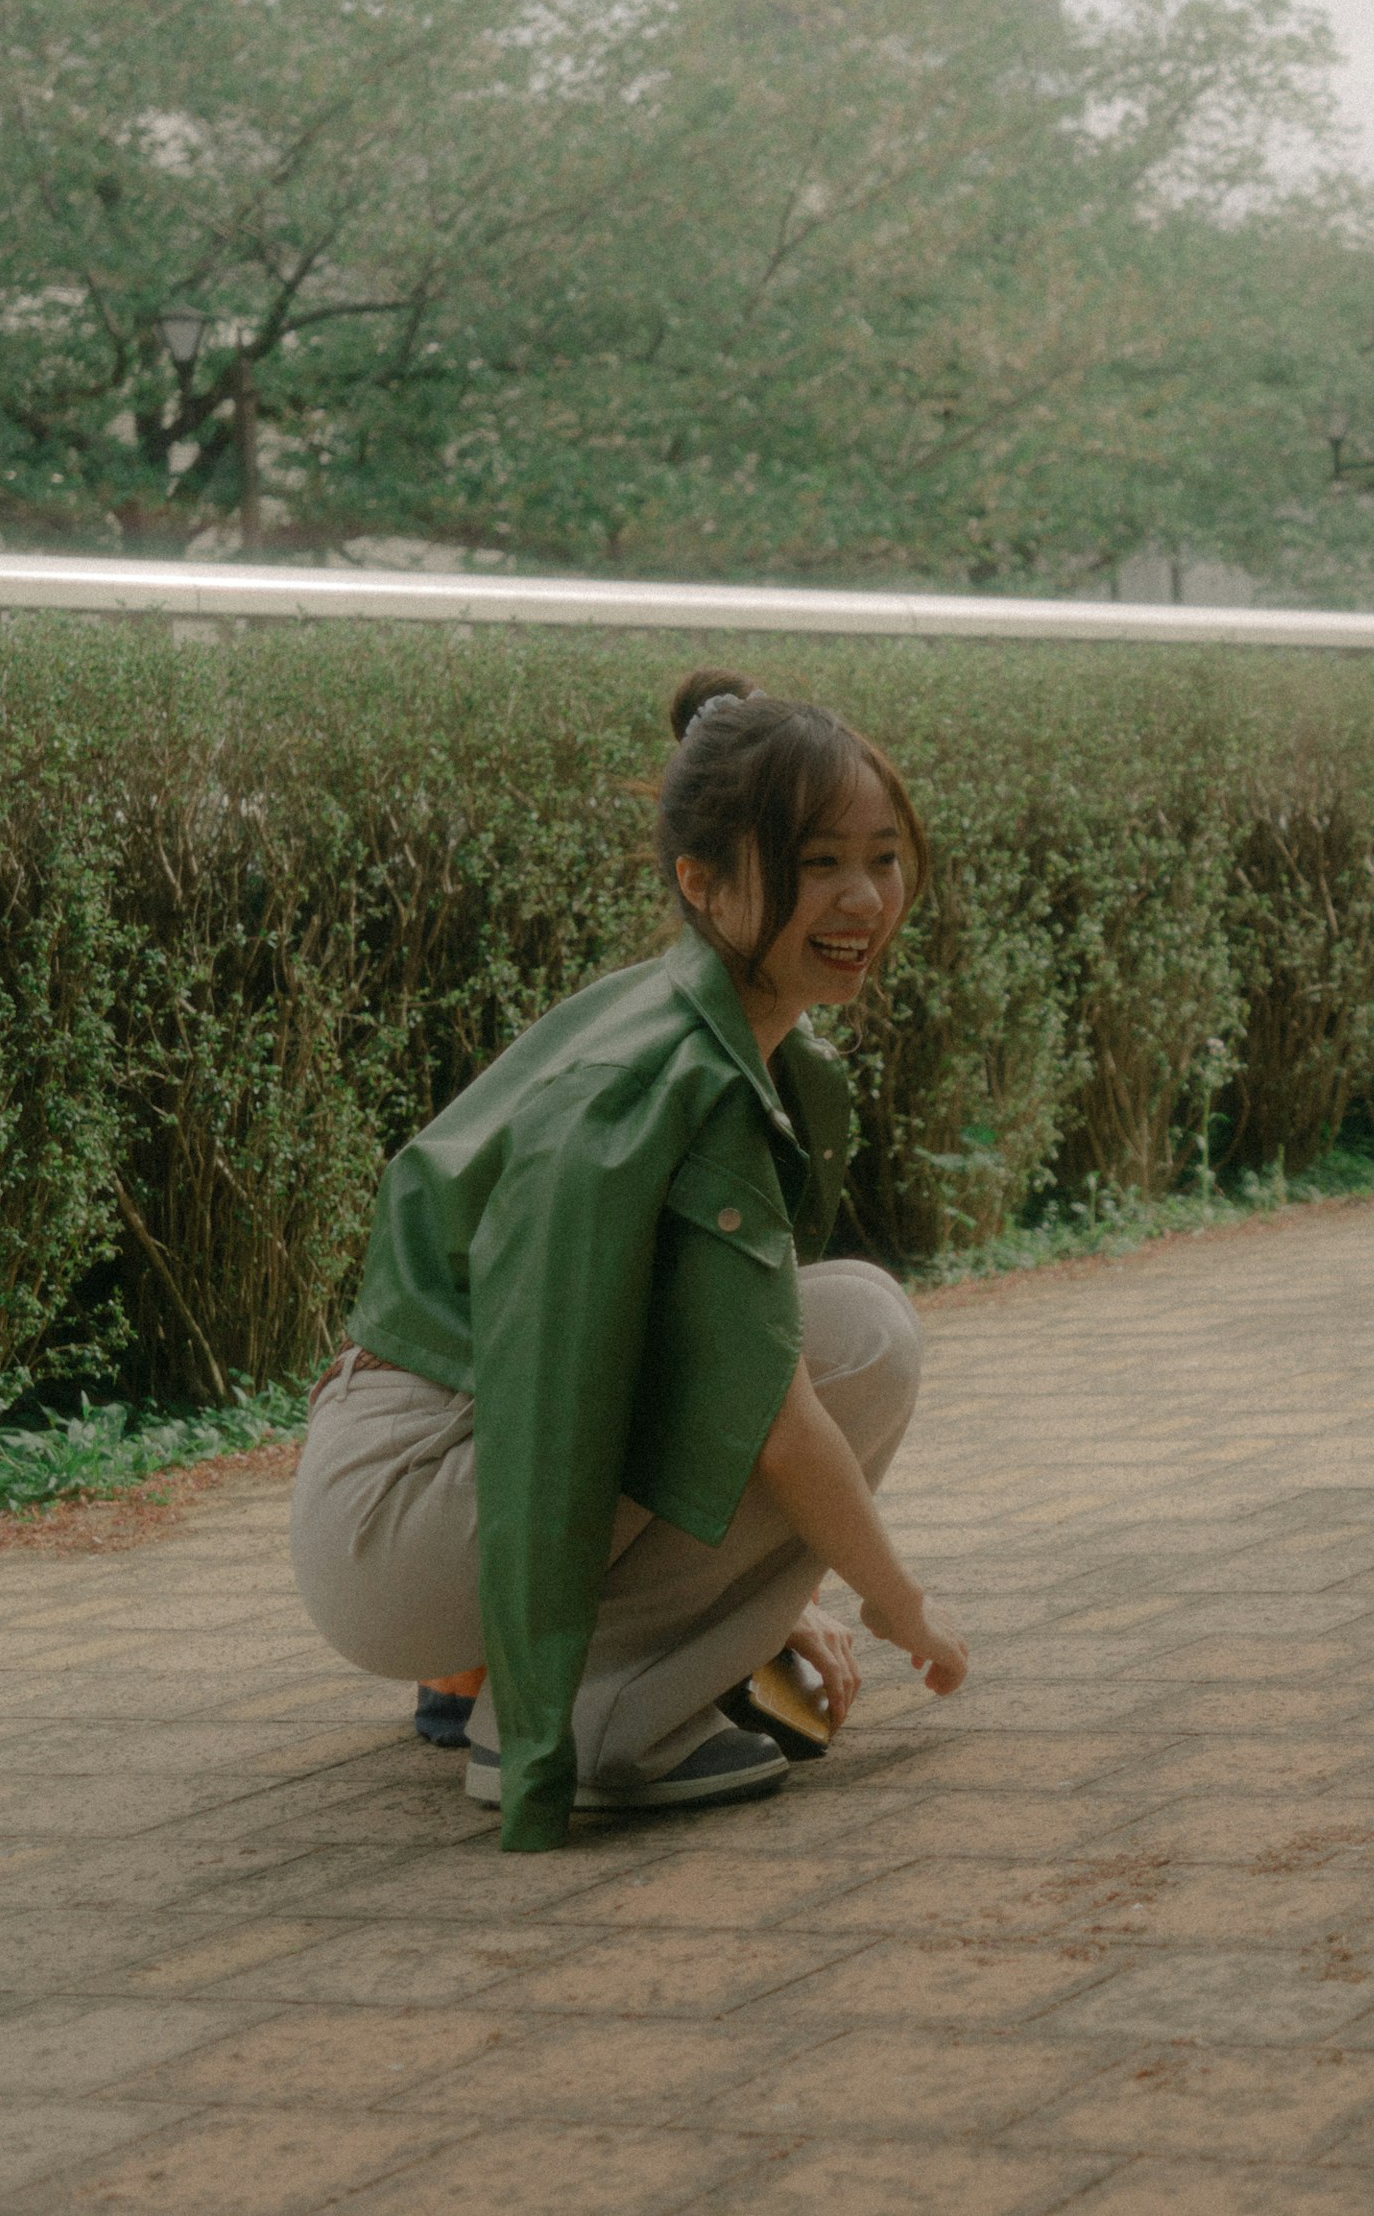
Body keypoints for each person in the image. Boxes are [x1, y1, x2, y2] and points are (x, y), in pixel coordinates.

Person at [289, 668, 973, 1850]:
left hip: (405, 1489)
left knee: (828, 1320)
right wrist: (901, 1606)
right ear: (702, 884)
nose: (864, 896)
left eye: (884, 854)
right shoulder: (686, 1075)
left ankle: (566, 1673)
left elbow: (674, 1344)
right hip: (411, 1504)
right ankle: (589, 1713)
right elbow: (773, 1417)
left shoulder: (700, 1025)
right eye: (816, 863)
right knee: (859, 1333)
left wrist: (769, 1610)